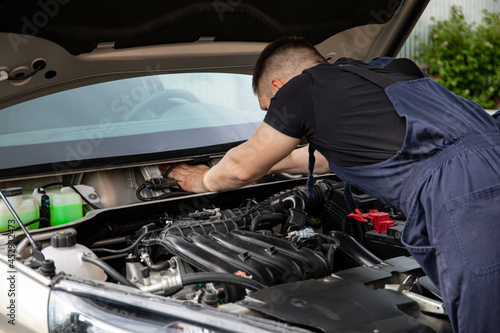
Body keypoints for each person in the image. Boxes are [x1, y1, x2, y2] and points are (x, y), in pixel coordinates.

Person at [162, 37, 500, 332]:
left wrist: (202, 179)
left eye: (269, 108)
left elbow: (240, 170)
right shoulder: (383, 74)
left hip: (464, 190)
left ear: (279, 87)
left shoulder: (302, 88)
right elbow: (315, 157)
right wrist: (265, 165)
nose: (274, 114)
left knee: (486, 314)